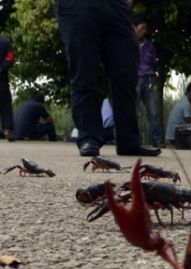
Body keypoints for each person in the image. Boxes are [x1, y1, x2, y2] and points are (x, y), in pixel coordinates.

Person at [54, 0, 160, 157]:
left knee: (126, 70)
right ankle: (88, 138)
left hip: (116, 5)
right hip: (76, 5)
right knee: (83, 71)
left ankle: (128, 140)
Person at [133, 16, 164, 148]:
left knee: (154, 111)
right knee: (134, 111)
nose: (144, 31)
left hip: (149, 78)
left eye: (146, 28)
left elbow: (154, 61)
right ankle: (135, 139)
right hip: (135, 78)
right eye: (142, 28)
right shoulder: (128, 43)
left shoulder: (150, 45)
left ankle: (156, 139)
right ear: (134, 28)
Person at [0, 34, 15, 141]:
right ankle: (7, 130)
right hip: (2, 77)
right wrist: (2, 67)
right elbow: (11, 57)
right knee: (5, 103)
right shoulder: (5, 42)